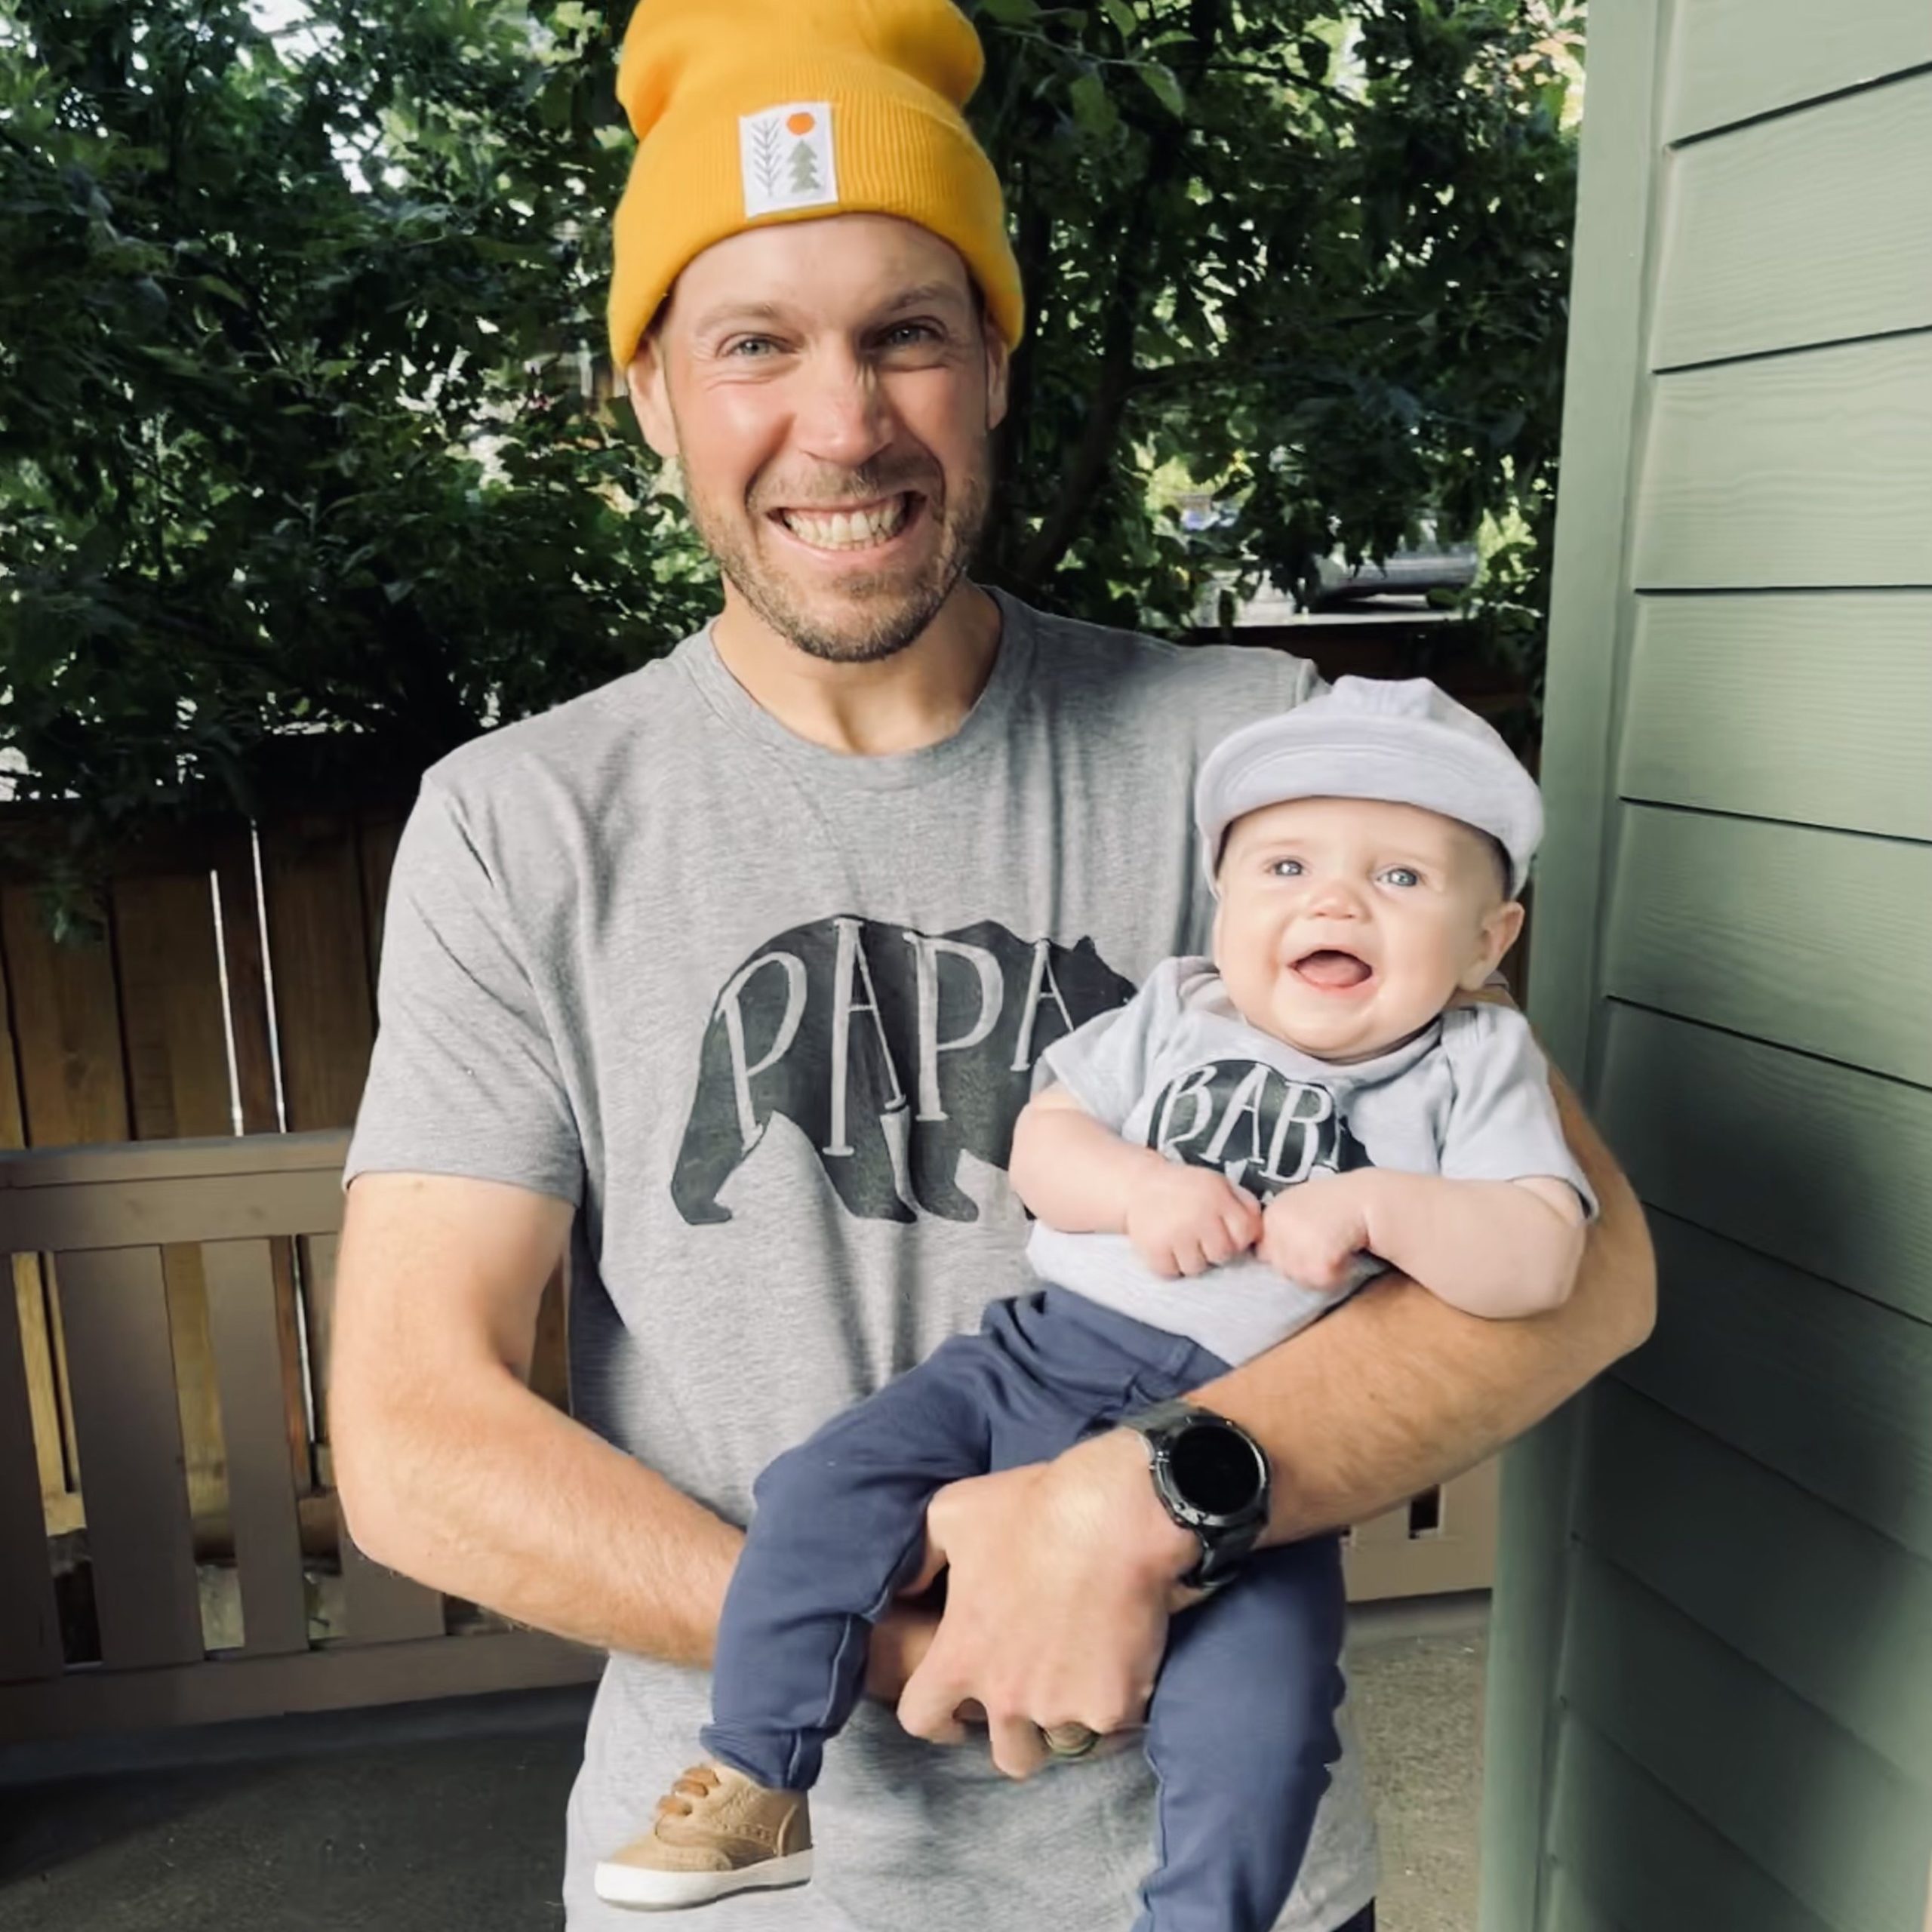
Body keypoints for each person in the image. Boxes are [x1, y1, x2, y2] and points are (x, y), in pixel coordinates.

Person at [328, 0, 1657, 1927]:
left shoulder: (1268, 763)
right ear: (648, 395)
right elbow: (413, 1437)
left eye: (905, 333)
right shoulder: (522, 823)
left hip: (1220, 1861)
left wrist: (1142, 1505)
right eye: (752, 345)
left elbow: (1585, 1260)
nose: (842, 421)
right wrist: (892, 1631)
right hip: (745, 1872)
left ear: (994, 363)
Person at [593, 678, 1594, 1927]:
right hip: (1033, 1367)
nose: (1334, 900)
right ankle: (755, 1773)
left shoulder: (1472, 1061)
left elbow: (1547, 1257)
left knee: (1265, 1718)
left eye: (1402, 879)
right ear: (1224, 902)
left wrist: (1387, 1207)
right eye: (1286, 866)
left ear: (1490, 939)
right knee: (822, 1492)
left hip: (1249, 1458)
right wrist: (1137, 1190)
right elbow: (1042, 1143)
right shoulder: (1181, 1009)